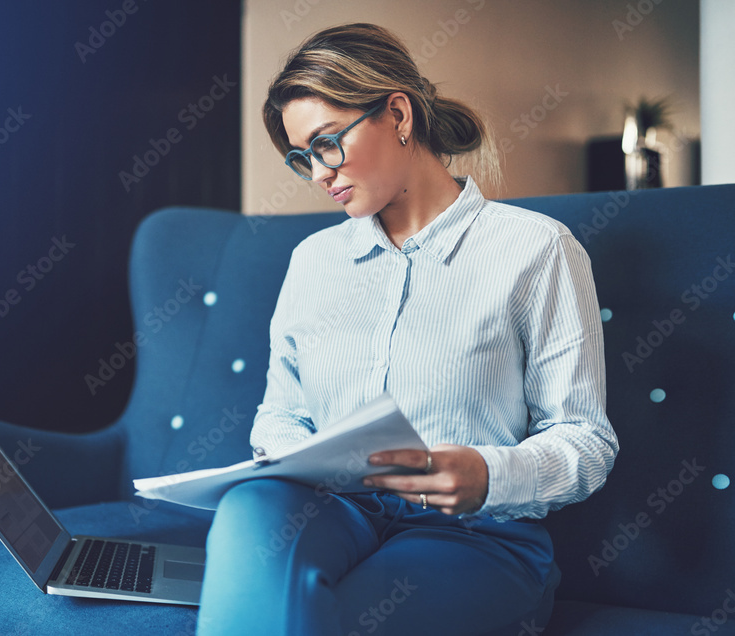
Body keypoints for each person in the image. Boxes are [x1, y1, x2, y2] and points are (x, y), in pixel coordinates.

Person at [195, 23, 619, 636]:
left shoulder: (536, 249)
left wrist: (486, 474)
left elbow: (585, 441)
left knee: (325, 621)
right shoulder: (313, 260)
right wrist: (291, 454)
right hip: (333, 514)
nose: (318, 173)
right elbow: (279, 414)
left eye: (326, 144)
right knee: (250, 504)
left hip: (475, 536)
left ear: (397, 113)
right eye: (303, 158)